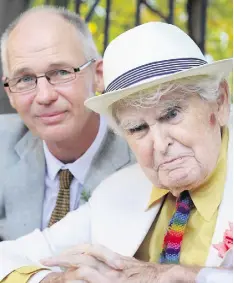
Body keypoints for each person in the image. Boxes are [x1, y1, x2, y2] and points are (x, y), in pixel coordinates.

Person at [0, 22, 232, 283]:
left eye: (171, 114)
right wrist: (54, 281)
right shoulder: (119, 189)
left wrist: (181, 275)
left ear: (220, 102)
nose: (159, 144)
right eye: (137, 128)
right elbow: (9, 256)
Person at [0, 6, 136, 241]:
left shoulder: (143, 155)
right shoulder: (4, 143)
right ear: (10, 92)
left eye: (61, 72)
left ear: (98, 75)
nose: (44, 96)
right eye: (25, 79)